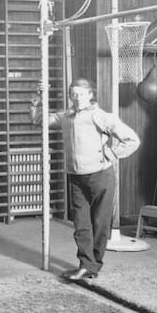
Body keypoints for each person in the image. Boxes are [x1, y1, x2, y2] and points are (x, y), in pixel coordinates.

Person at [30, 78, 140, 280]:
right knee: (81, 224)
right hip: (76, 177)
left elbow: (132, 139)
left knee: (100, 223)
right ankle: (85, 264)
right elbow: (39, 121)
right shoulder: (67, 116)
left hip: (100, 176)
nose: (77, 98)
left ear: (90, 95)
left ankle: (92, 265)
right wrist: (39, 98)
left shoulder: (101, 116)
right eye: (73, 94)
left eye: (81, 94)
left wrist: (112, 153)